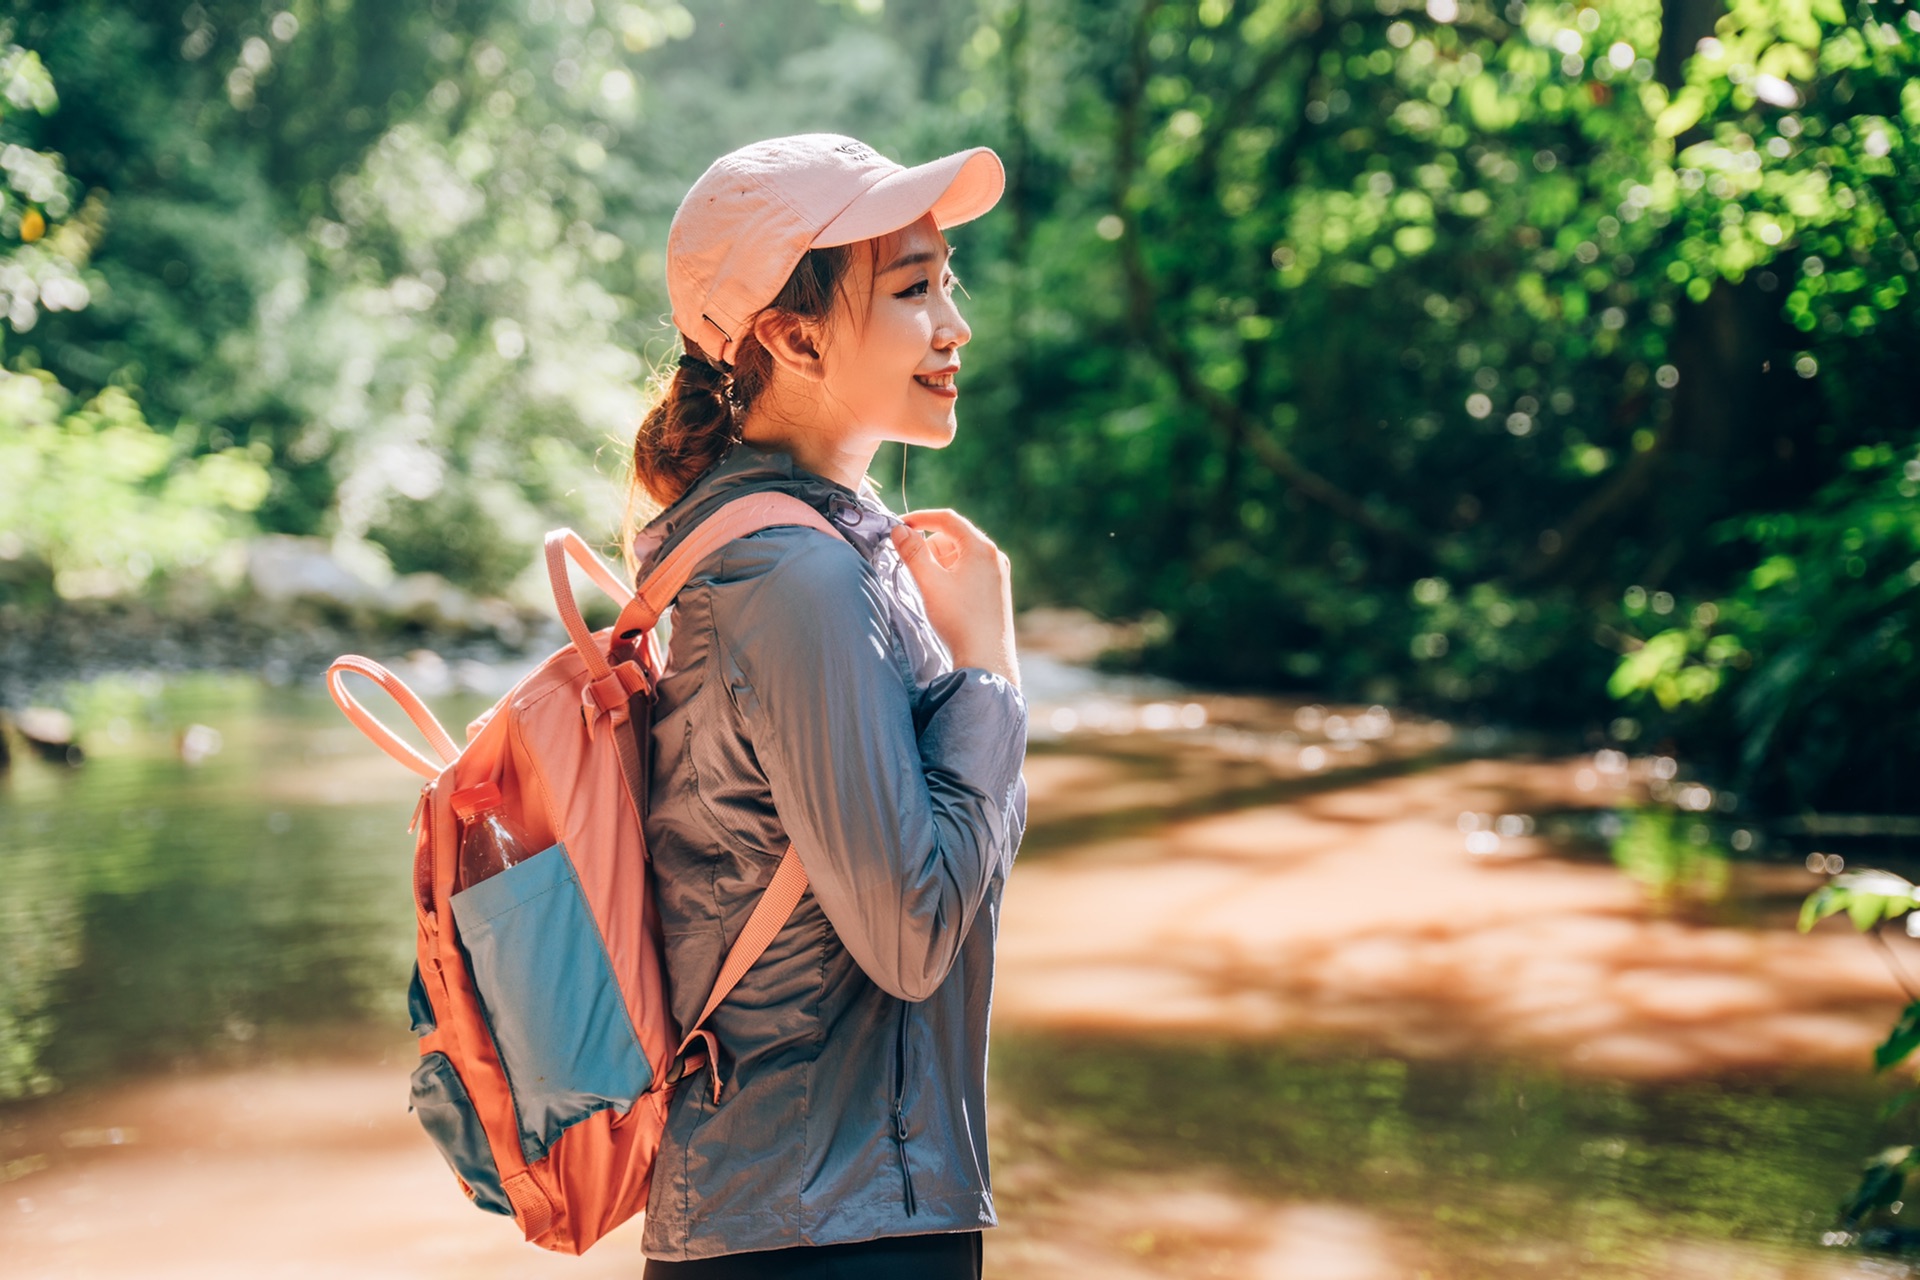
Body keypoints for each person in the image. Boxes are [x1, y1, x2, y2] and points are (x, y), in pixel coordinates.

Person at [626, 134, 1028, 1278]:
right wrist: (989, 667)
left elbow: (946, 886)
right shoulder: (797, 581)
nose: (954, 325)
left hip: (840, 1210)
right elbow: (913, 934)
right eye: (911, 289)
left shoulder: (831, 555)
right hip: (824, 1230)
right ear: (791, 338)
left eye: (947, 279)